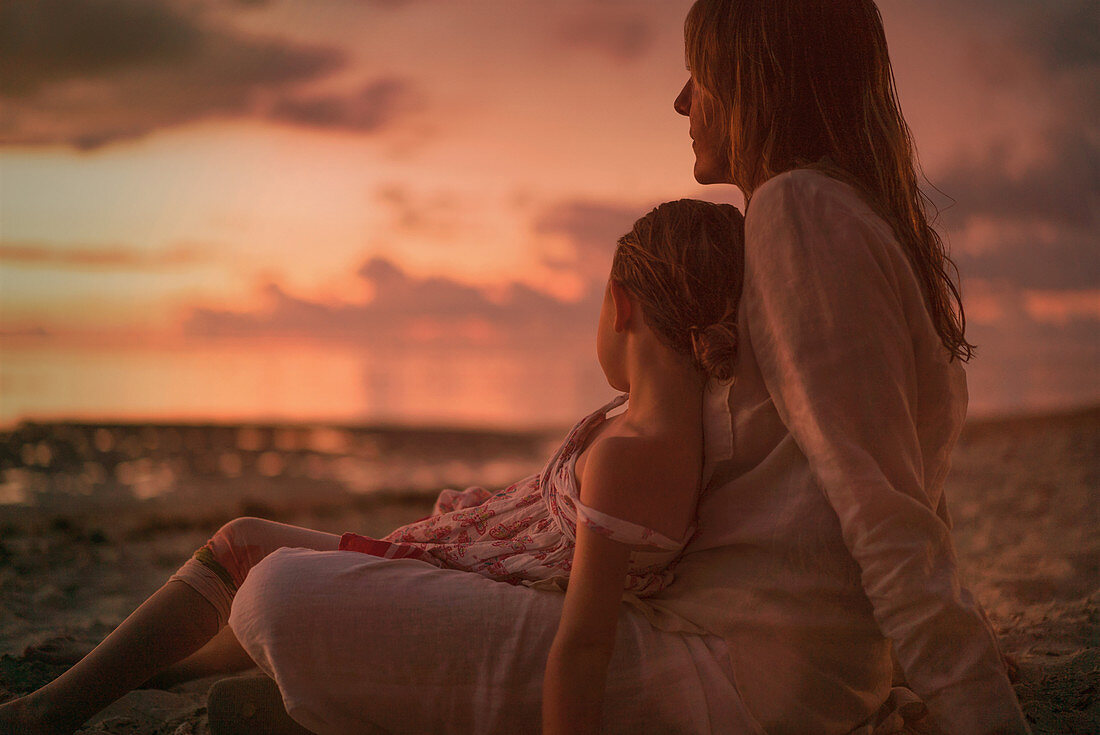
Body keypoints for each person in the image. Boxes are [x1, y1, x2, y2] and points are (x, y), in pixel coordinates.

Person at [0, 199, 756, 735]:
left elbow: (582, 641)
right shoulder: (667, 426)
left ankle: (54, 708)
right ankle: (143, 669)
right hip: (476, 555)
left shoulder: (632, 452)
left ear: (619, 306)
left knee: (241, 539)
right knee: (256, 544)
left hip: (471, 580)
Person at [655, 0, 1031, 733]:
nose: (680, 100)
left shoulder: (798, 213)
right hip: (760, 657)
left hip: (731, 667)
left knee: (357, 603)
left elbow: (886, 514)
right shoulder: (844, 216)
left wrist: (985, 713)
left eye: (698, 73)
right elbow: (904, 485)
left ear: (756, 79)